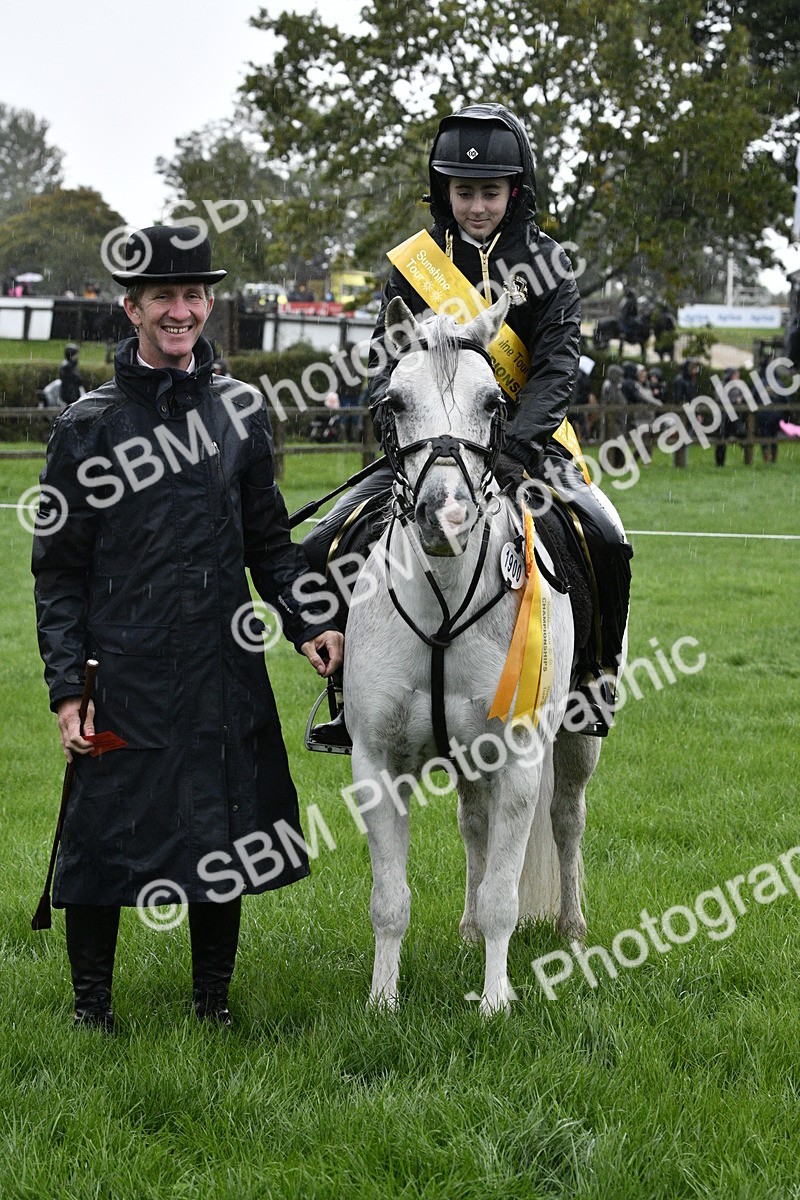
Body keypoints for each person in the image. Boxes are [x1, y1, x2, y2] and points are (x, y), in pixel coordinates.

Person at [32, 225, 343, 1032]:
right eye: (163, 297)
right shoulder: (87, 427)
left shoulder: (241, 413)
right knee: (102, 836)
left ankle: (212, 1005)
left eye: (194, 295)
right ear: (130, 308)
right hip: (118, 670)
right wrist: (69, 688)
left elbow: (268, 543)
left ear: (209, 304)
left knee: (222, 831)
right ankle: (90, 1010)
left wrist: (310, 619)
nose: (181, 311)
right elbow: (59, 572)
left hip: (219, 665)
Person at [304, 103, 632, 747]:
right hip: (428, 446)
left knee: (603, 536)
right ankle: (351, 696)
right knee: (326, 544)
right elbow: (386, 361)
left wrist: (516, 444)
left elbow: (557, 368)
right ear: (444, 192)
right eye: (464, 192)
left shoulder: (549, 263)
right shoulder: (414, 264)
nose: (476, 206)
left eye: (489, 192)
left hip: (527, 447)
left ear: (515, 191)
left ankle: (590, 675)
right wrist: (400, 433)